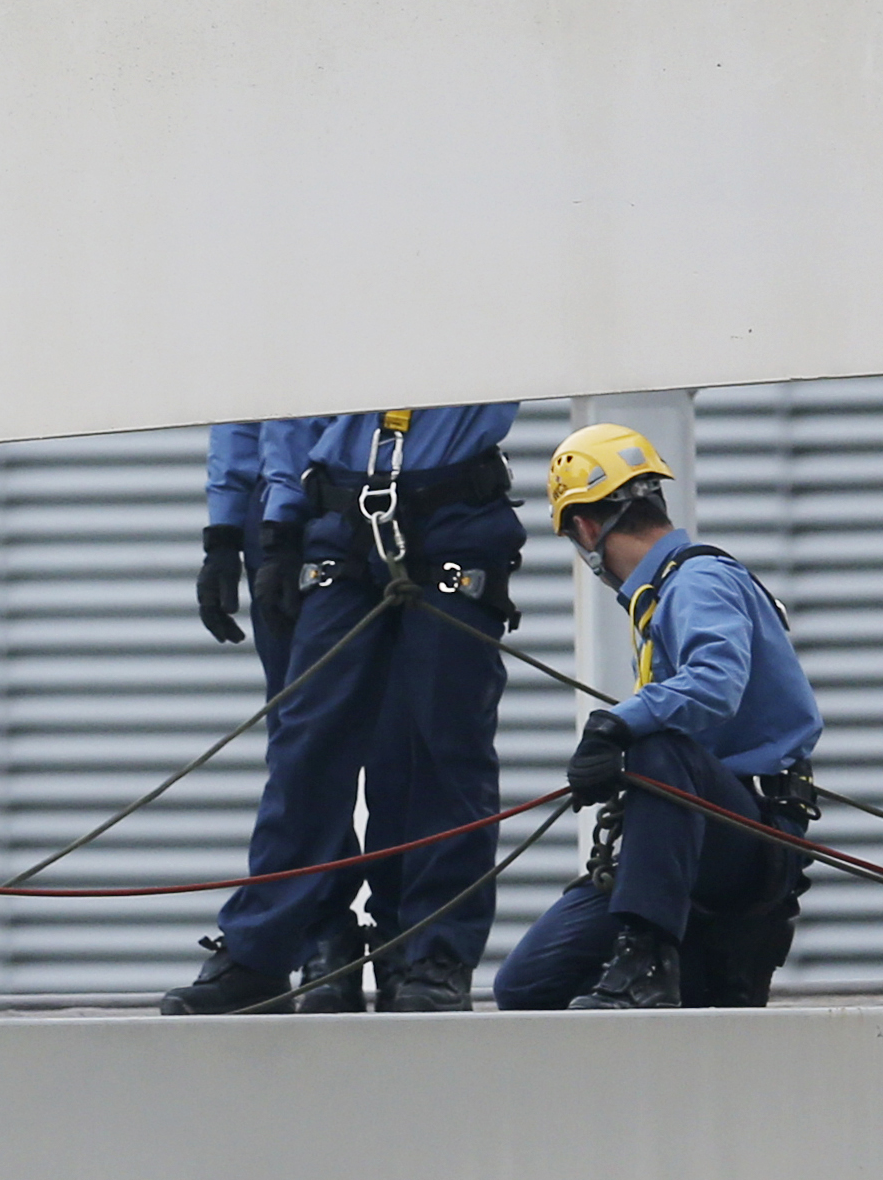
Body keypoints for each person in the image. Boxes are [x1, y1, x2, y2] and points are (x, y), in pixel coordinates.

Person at [163, 405, 523, 1015]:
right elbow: (283, 408)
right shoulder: (325, 320)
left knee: (443, 748)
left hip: (453, 514)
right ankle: (264, 949)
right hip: (337, 518)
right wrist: (269, 530)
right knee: (307, 745)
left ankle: (429, 953)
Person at [494, 424, 821, 1010]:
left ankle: (646, 959)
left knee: (658, 747)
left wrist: (616, 725)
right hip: (692, 836)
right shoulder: (664, 597)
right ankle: (673, 961)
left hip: (749, 837)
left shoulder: (697, 582)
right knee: (525, 985)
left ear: (587, 529)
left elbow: (715, 685)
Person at [198, 417, 390, 1010]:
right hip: (281, 516)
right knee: (300, 742)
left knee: (379, 737)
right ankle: (323, 930)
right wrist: (225, 531)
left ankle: (392, 941)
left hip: (368, 498)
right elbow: (244, 409)